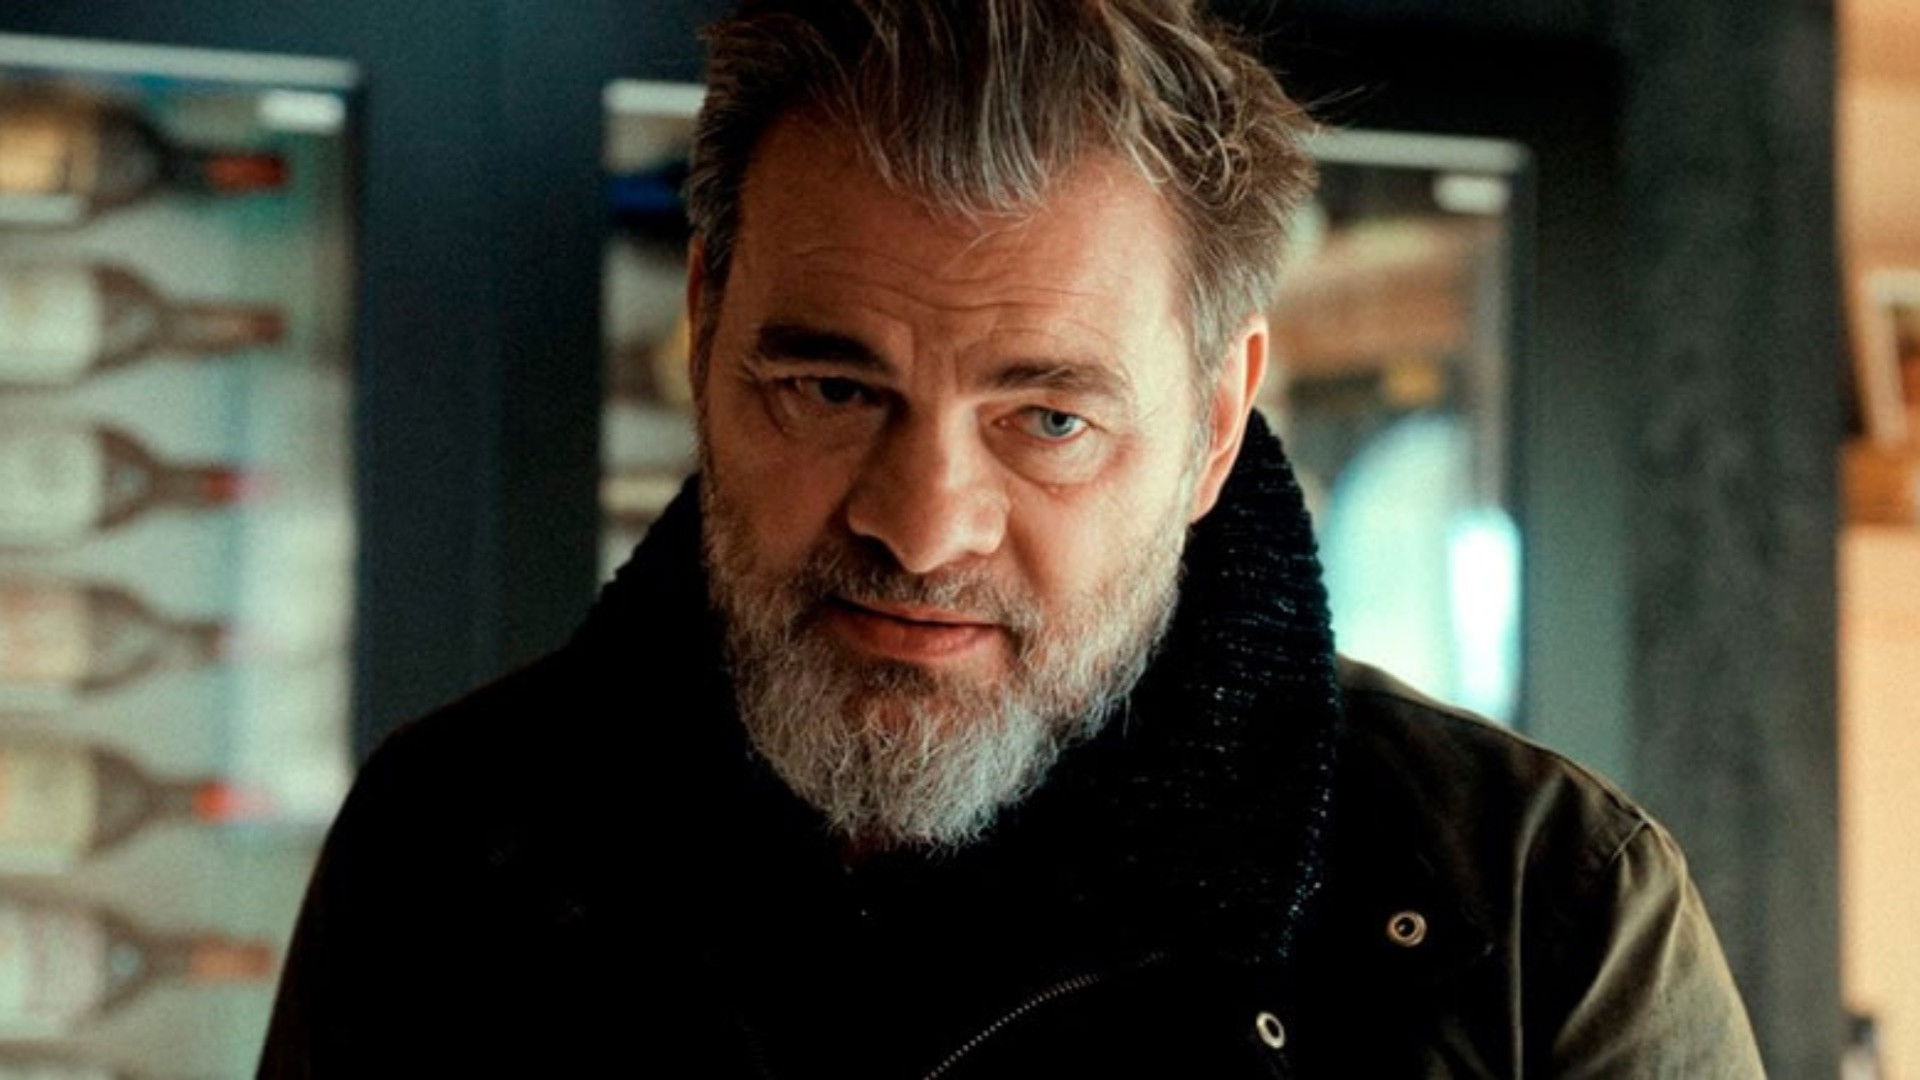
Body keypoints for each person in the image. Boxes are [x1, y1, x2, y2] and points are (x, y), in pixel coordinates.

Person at [258, 1, 1765, 1076]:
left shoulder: (1541, 916)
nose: (922, 530)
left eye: (1048, 419)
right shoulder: (446, 844)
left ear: (1215, 421)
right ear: (707, 326)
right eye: (833, 388)